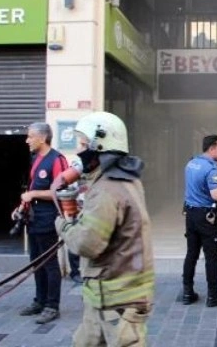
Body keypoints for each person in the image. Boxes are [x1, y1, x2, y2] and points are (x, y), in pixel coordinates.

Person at [55, 111, 154, 346]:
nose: (78, 153)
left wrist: (64, 225)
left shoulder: (107, 189)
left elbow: (87, 243)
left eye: (82, 144)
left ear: (98, 145)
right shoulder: (125, 180)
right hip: (103, 296)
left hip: (118, 300)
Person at [13, 122, 67, 324]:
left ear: (43, 138)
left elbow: (61, 191)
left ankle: (52, 306)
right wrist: (21, 207)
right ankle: (40, 300)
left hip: (49, 219)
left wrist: (34, 194)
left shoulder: (57, 160)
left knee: (50, 264)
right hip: (34, 219)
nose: (27, 140)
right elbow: (31, 188)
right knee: (36, 262)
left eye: (30, 136)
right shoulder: (36, 158)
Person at [181, 135, 217, 307]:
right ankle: (213, 295)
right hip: (207, 218)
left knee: (191, 254)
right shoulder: (212, 169)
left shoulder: (191, 163)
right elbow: (216, 195)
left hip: (191, 215)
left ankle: (187, 293)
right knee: (211, 257)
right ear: (211, 149)